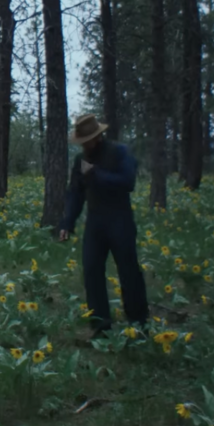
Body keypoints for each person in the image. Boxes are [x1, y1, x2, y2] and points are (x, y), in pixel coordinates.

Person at [56, 114, 149, 335]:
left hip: (120, 220)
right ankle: (100, 325)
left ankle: (138, 323)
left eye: (86, 140)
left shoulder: (119, 152)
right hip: (95, 222)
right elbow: (75, 194)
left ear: (97, 137)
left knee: (129, 272)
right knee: (91, 271)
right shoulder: (81, 160)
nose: (84, 145)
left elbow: (128, 182)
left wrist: (97, 174)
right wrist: (67, 223)